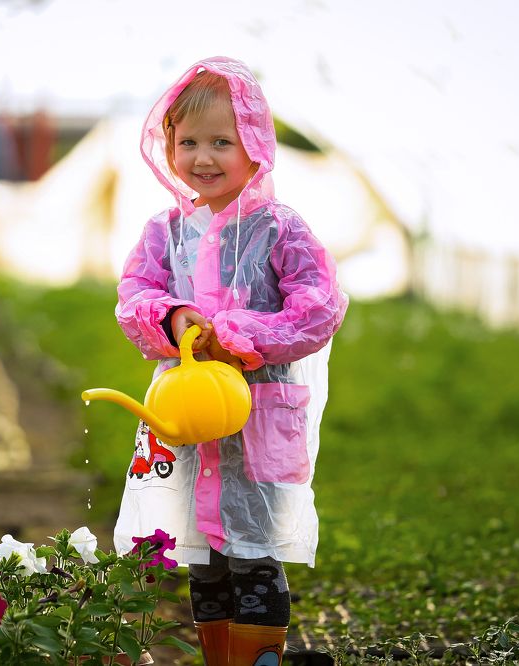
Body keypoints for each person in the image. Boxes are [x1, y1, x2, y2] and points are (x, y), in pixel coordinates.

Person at [113, 56, 348, 665]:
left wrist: (239, 335)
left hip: (257, 414)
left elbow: (319, 307)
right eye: (188, 142)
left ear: (256, 147)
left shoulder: (281, 229)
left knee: (254, 550)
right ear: (168, 148)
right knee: (203, 553)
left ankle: (260, 657)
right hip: (189, 417)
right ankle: (222, 660)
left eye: (223, 141)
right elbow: (135, 295)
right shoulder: (165, 232)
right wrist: (173, 319)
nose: (204, 158)